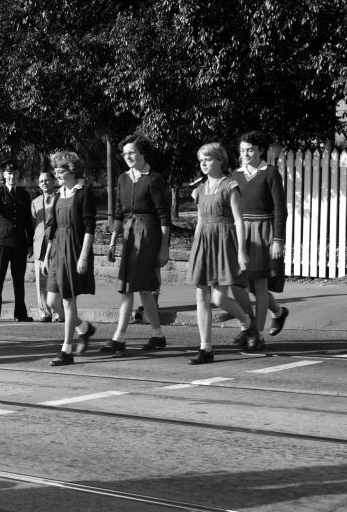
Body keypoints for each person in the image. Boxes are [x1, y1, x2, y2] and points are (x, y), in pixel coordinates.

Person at [187, 142, 261, 365]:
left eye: (208, 159)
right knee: (201, 295)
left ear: (220, 160)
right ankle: (205, 348)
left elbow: (239, 221)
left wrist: (241, 251)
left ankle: (247, 324)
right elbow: (200, 221)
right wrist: (195, 250)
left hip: (224, 242)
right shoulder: (199, 191)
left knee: (218, 298)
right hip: (204, 242)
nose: (203, 163)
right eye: (201, 159)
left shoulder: (230, 186)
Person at [101, 135, 172, 354]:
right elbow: (120, 213)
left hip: (148, 234)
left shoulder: (154, 179)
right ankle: (157, 335)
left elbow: (164, 217)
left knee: (135, 287)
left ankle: (119, 338)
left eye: (132, 152)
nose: (128, 156)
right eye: (125, 153)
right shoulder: (122, 178)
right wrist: (113, 243)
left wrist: (164, 248)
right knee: (139, 289)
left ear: (142, 153)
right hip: (129, 236)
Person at [231, 130, 289, 349]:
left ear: (261, 150)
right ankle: (276, 313)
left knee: (260, 285)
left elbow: (280, 210)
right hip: (240, 233)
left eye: (250, 150)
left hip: (264, 230)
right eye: (242, 150)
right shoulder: (235, 175)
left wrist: (277, 240)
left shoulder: (270, 173)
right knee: (241, 284)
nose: (246, 154)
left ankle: (257, 334)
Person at [42, 151, 97, 366]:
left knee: (68, 300)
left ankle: (66, 349)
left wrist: (83, 256)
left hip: (74, 250)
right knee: (51, 302)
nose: (57, 173)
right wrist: (47, 255)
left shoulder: (83, 193)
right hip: (57, 250)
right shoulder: (58, 195)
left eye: (61, 169)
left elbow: (90, 228)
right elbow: (52, 227)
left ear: (72, 170)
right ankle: (84, 328)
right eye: (55, 170)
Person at [0, 162, 33, 322]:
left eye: (15, 173)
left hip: (19, 242)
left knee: (19, 279)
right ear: (4, 175)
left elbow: (27, 220)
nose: (12, 176)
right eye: (9, 173)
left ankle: (20, 313)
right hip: (1, 241)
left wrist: (30, 242)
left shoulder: (24, 194)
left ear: (18, 175)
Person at [30, 171, 62, 323]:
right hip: (39, 245)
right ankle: (45, 312)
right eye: (41, 181)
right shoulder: (35, 202)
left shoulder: (61, 198)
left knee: (56, 279)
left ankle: (58, 313)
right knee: (40, 281)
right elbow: (32, 224)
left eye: (47, 180)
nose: (44, 183)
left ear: (53, 181)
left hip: (56, 244)